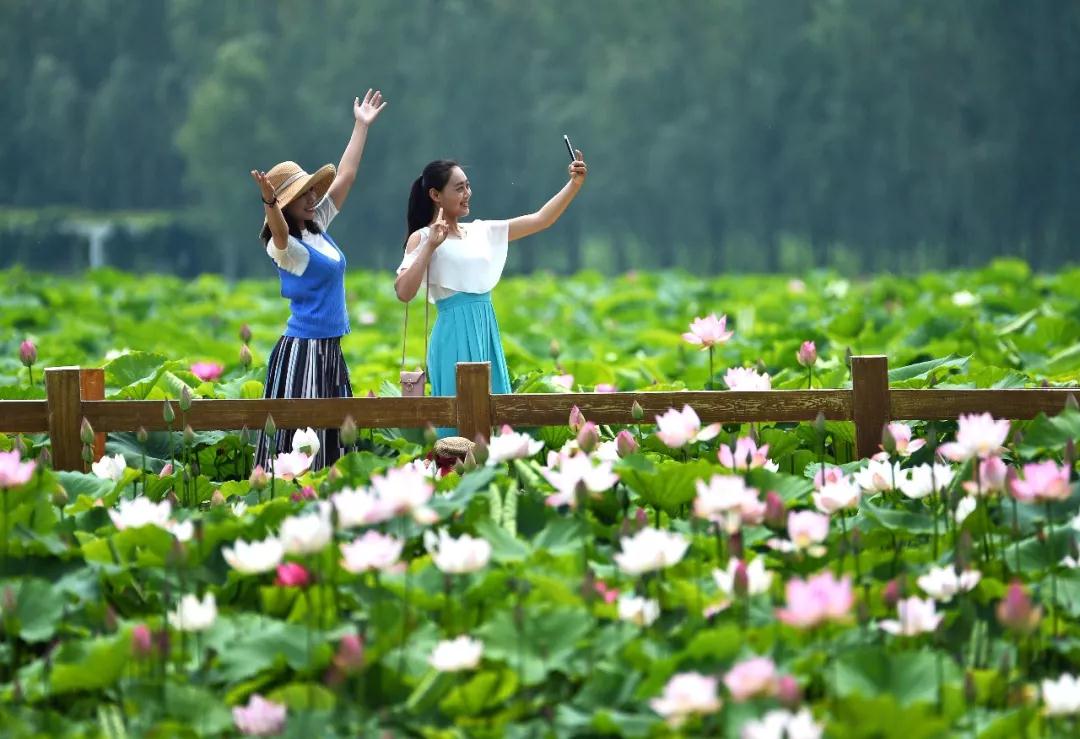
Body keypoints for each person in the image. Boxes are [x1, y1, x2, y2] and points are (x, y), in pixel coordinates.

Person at [394, 149, 588, 437]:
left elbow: (540, 220)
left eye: (468, 186)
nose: (467, 193)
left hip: (486, 327)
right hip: (453, 332)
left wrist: (574, 185)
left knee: (495, 419)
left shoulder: (481, 231)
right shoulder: (422, 238)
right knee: (458, 428)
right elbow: (404, 292)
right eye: (459, 188)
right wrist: (430, 246)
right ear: (436, 195)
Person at [250, 88, 387, 470]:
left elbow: (346, 175)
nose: (312, 198)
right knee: (300, 446)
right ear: (284, 204)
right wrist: (269, 203)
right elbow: (277, 231)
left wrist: (360, 126)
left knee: (330, 442)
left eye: (311, 191)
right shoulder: (287, 248)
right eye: (302, 195)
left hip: (329, 350)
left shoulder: (317, 228)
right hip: (303, 351)